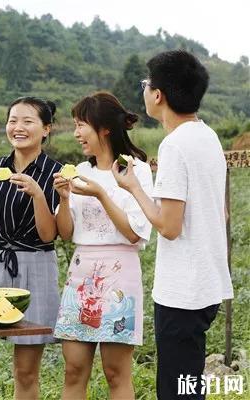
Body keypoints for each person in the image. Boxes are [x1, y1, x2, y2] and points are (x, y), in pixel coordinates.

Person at [112, 50, 234, 399]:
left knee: (177, 389)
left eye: (146, 83)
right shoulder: (207, 136)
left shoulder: (174, 146)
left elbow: (169, 226)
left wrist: (134, 187)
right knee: (188, 384)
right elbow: (218, 212)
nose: (145, 89)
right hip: (207, 283)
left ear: (158, 95)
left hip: (183, 290)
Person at [0, 97, 62, 400]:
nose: (18, 127)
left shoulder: (55, 174)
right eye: (13, 120)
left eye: (28, 121)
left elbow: (48, 235)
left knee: (26, 373)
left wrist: (38, 195)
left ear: (46, 129)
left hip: (37, 266)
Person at [51, 92, 153, 399]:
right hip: (81, 273)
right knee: (74, 369)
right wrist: (65, 197)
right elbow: (66, 232)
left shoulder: (136, 170)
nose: (76, 133)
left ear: (104, 128)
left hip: (120, 276)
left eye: (81, 125)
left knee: (115, 372)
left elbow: (134, 233)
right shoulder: (80, 171)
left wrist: (101, 195)